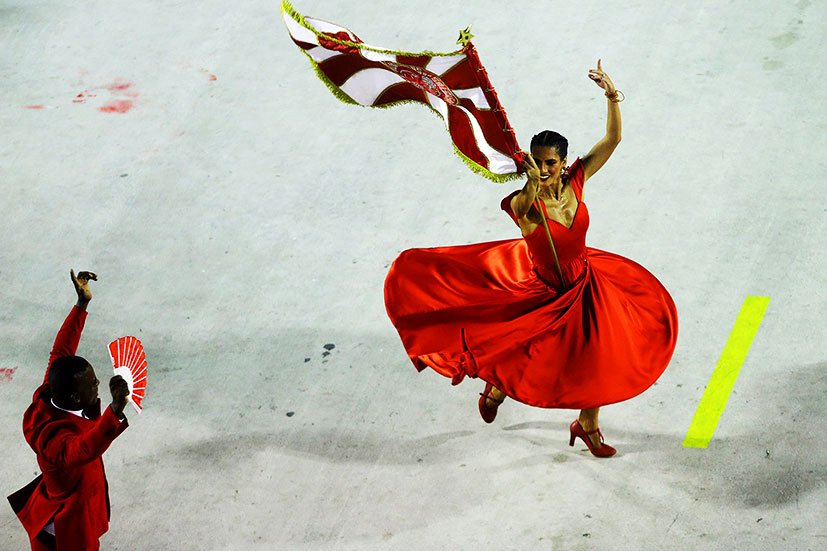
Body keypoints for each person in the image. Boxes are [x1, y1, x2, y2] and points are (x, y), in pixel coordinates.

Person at [384, 60, 678, 458]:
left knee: (599, 354)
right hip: (544, 295)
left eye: (550, 163)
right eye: (537, 161)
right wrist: (530, 182)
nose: (543, 168)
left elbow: (613, 139)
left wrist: (612, 96)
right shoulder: (527, 204)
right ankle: (496, 389)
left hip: (585, 286)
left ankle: (587, 424)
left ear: (564, 163)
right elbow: (523, 203)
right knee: (526, 351)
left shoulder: (576, 181)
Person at [7, 270, 130, 550]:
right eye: (92, 384)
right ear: (75, 397)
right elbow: (84, 448)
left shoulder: (53, 391)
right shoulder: (55, 441)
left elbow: (61, 350)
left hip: (75, 509)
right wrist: (114, 411)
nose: (98, 384)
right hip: (67, 530)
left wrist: (81, 305)